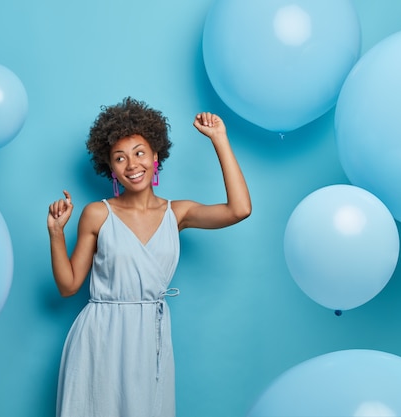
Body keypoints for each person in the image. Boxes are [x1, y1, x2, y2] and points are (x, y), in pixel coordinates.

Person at [47, 97, 251, 417]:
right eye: (120, 158)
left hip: (149, 338)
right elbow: (68, 286)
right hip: (100, 335)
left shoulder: (177, 213)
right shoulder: (97, 214)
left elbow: (239, 210)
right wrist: (56, 233)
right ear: (110, 167)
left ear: (155, 156)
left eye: (139, 153)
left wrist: (219, 139)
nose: (132, 165)